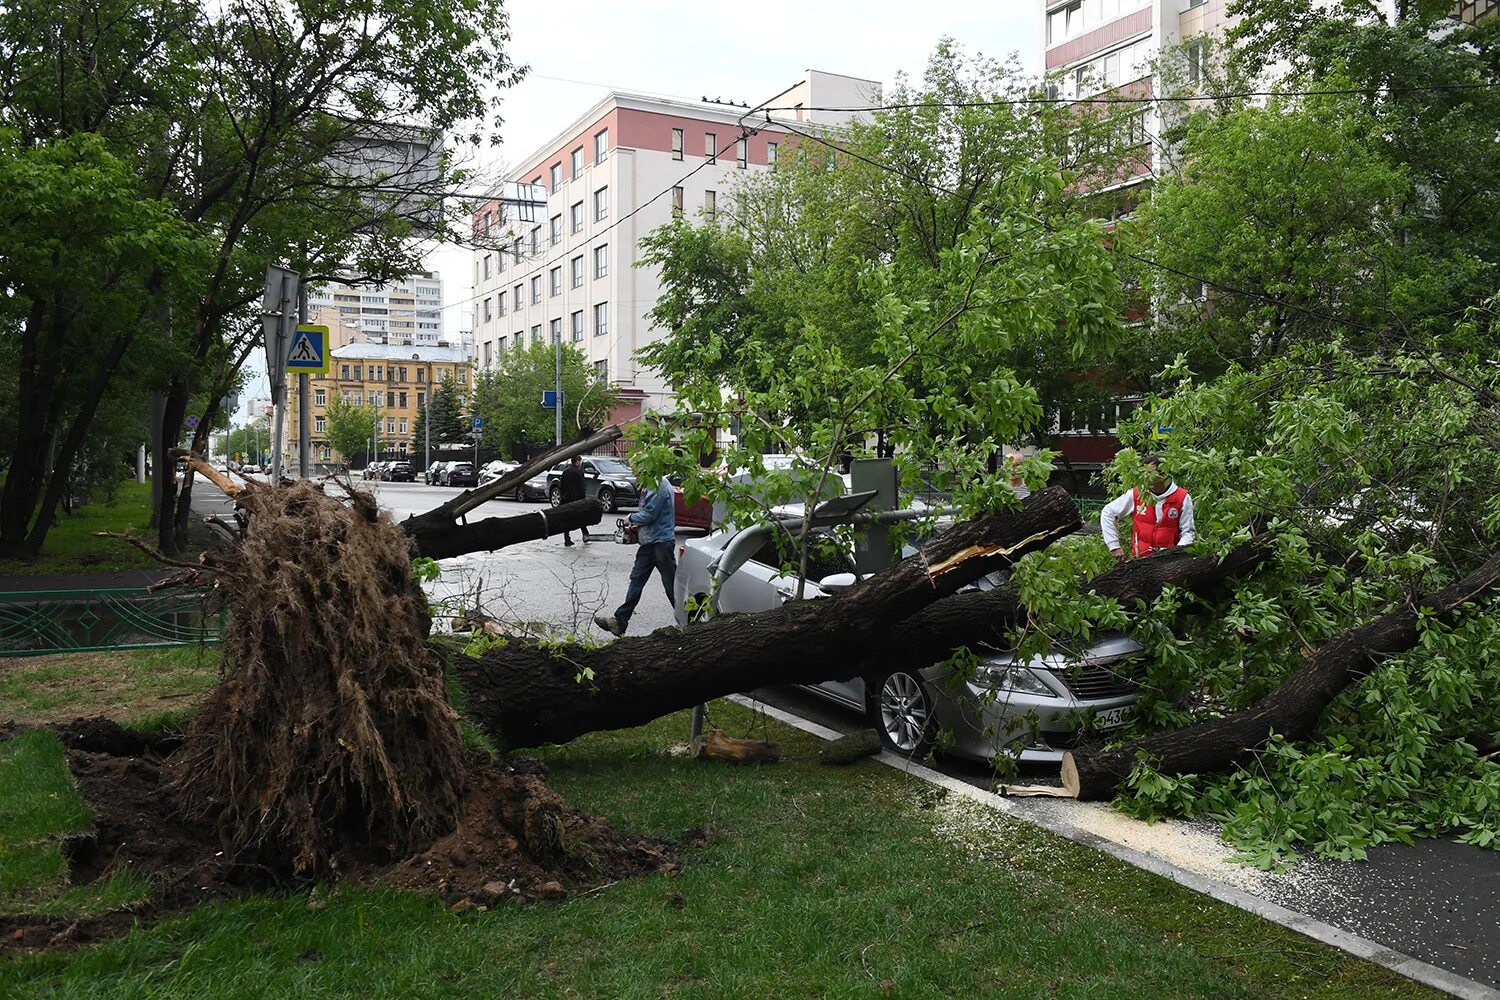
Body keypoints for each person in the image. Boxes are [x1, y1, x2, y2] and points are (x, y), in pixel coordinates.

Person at [593, 471, 676, 636]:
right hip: (649, 542)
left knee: (671, 585)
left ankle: (690, 620)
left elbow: (650, 514)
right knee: (636, 580)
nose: (636, 475)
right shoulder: (651, 483)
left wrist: (630, 518)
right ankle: (619, 621)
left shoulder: (657, 484)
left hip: (660, 542)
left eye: (638, 470)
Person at [1100, 452, 1195, 560]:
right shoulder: (1137, 493)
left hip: (1169, 563)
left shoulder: (1182, 497)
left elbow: (1188, 533)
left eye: (1150, 474)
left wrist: (1175, 554)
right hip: (1140, 562)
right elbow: (1108, 512)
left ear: (1163, 474)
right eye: (1144, 473)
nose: (1145, 477)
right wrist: (1114, 547)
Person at [559, 455, 589, 546]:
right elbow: (582, 487)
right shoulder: (579, 472)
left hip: (567, 499)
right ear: (576, 462)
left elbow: (561, 486)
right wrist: (583, 498)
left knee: (567, 519)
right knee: (581, 518)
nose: (580, 463)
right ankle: (585, 535)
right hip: (577, 499)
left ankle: (566, 538)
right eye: (579, 462)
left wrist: (563, 496)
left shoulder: (565, 472)